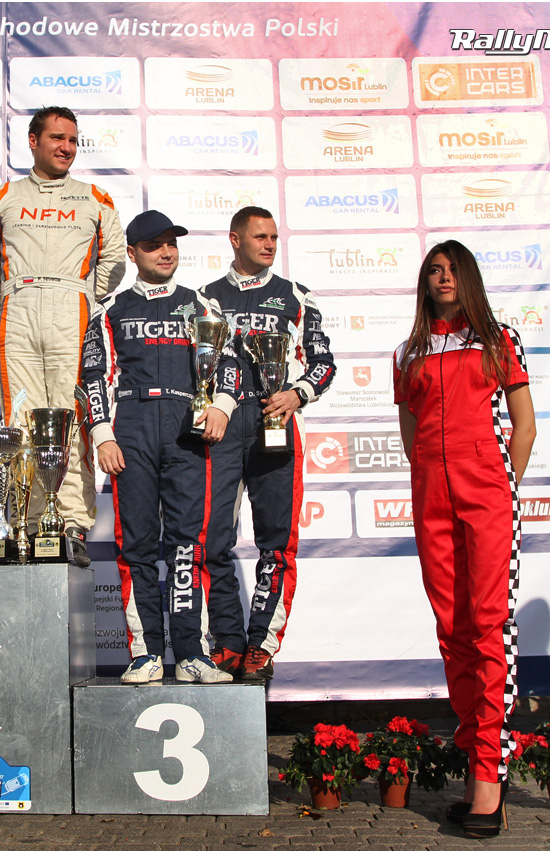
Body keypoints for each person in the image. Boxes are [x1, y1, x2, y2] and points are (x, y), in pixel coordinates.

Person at [394, 240, 536, 838]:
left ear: (468, 278)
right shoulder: (408, 351)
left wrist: (503, 486)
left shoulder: (497, 339)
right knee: (452, 628)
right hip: (432, 490)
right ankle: (475, 760)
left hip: (487, 488)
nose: (443, 277)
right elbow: (410, 436)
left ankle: (487, 780)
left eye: (453, 269)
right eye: (434, 270)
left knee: (488, 625)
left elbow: (525, 424)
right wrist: (434, 477)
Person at [81, 210, 240, 684]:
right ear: (132, 254)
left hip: (186, 427)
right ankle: (145, 653)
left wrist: (223, 406)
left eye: (171, 243)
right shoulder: (110, 309)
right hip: (131, 425)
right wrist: (102, 433)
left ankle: (192, 653)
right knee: (137, 545)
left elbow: (228, 362)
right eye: (154, 245)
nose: (166, 252)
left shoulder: (201, 303)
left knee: (189, 545)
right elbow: (94, 375)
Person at [0, 106, 126, 567]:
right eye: (57, 138)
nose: (66, 147)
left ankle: (72, 523)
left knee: (71, 418)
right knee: (21, 419)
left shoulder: (94, 197)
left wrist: (79, 294)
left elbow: (114, 261)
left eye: (73, 140)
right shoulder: (4, 196)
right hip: (18, 310)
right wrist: (15, 294)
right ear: (33, 141)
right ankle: (27, 523)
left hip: (72, 311)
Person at [203, 207, 335, 682]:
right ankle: (225, 641)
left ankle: (261, 644)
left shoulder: (296, 295)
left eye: (274, 238)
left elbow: (323, 362)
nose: (269, 245)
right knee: (210, 539)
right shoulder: (205, 298)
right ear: (235, 239)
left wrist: (297, 393)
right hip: (222, 425)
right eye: (260, 237)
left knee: (276, 543)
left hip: (275, 422)